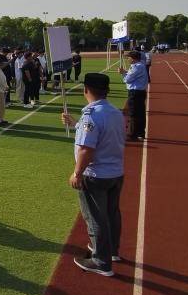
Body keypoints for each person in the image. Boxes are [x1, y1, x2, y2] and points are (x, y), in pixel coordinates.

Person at [60, 73, 126, 276]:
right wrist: (76, 124)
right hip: (115, 172)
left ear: (86, 90)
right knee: (112, 213)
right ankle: (111, 250)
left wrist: (77, 173)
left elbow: (87, 149)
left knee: (96, 217)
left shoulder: (91, 115)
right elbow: (103, 134)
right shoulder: (115, 112)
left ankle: (101, 261)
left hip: (96, 174)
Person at [119, 51, 148, 141]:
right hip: (140, 92)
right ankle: (140, 133)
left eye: (129, 57)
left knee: (134, 113)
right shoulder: (140, 65)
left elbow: (127, 79)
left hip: (135, 92)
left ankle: (133, 134)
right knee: (140, 113)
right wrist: (126, 71)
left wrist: (122, 73)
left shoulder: (136, 66)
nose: (128, 59)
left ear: (133, 58)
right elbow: (133, 75)